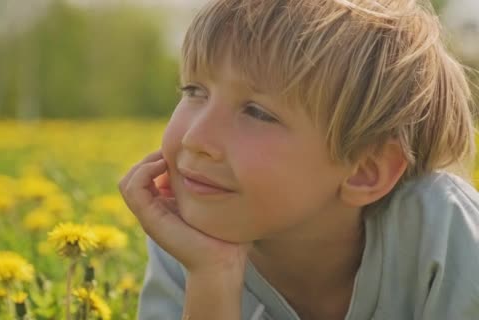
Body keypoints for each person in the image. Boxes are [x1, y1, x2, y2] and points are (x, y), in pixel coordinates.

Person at [118, 0, 479, 319]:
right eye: (194, 90)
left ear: (365, 171)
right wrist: (212, 276)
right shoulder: (188, 237)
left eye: (257, 112)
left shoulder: (446, 238)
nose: (195, 139)